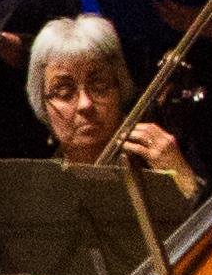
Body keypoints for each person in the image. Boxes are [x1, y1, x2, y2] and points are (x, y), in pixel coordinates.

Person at [27, 14, 190, 184]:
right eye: (64, 92)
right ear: (42, 104)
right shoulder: (39, 190)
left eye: (99, 85)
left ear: (120, 86)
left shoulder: (162, 158)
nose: (85, 104)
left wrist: (184, 180)